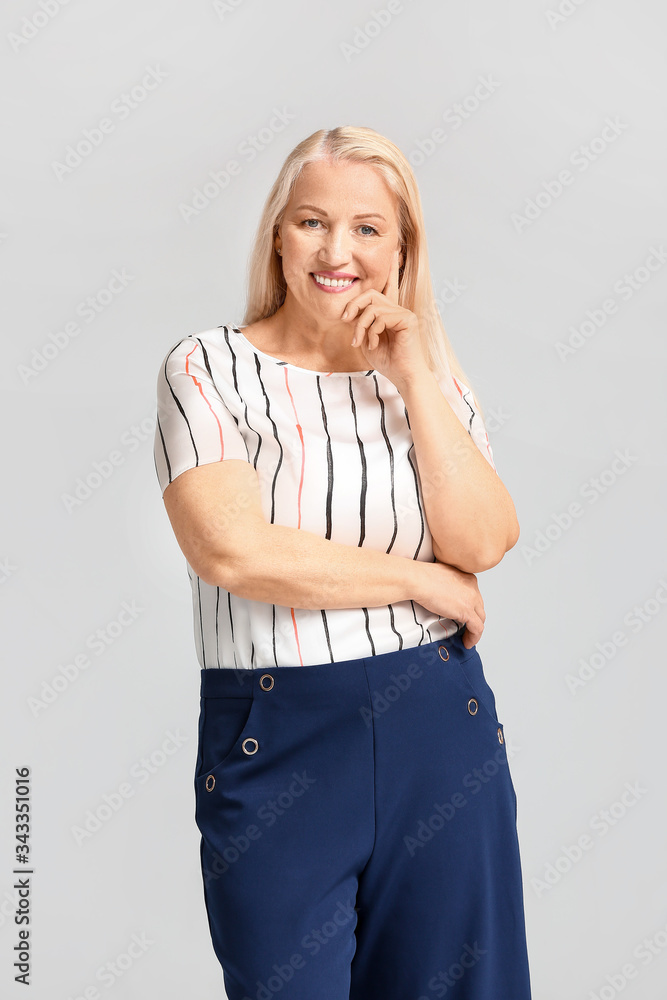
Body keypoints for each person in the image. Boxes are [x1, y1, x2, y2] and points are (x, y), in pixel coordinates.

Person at [153, 125, 532, 1000]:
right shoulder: (208, 367)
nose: (337, 251)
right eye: (311, 222)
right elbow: (231, 548)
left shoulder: (430, 384)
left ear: (401, 251)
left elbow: (481, 543)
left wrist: (413, 374)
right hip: (278, 734)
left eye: (367, 229)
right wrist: (415, 579)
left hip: (439, 727)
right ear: (276, 237)